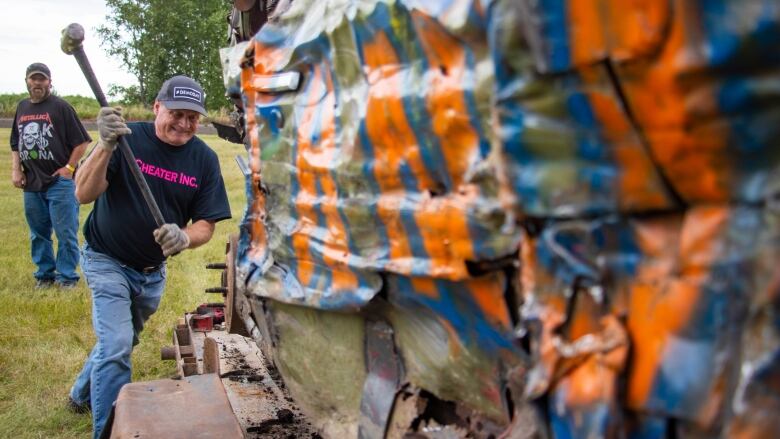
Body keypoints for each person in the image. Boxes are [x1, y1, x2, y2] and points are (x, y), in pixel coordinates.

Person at [68, 75, 231, 438]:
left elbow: (206, 223)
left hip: (150, 273)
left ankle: (80, 393)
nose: (185, 124)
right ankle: (108, 431)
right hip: (106, 259)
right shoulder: (126, 140)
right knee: (117, 345)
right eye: (177, 113)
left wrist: (183, 236)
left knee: (123, 339)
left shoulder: (203, 159)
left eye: (193, 117)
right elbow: (83, 194)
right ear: (157, 107)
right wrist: (105, 145)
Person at [10, 62, 91, 289]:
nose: (38, 83)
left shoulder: (61, 107)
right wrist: (16, 169)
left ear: (49, 82)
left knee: (65, 233)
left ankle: (67, 278)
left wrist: (69, 168)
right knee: (38, 233)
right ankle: (44, 275)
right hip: (32, 182)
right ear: (27, 81)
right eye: (34, 79)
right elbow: (16, 142)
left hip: (60, 183)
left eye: (42, 79)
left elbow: (82, 141)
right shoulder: (22, 107)